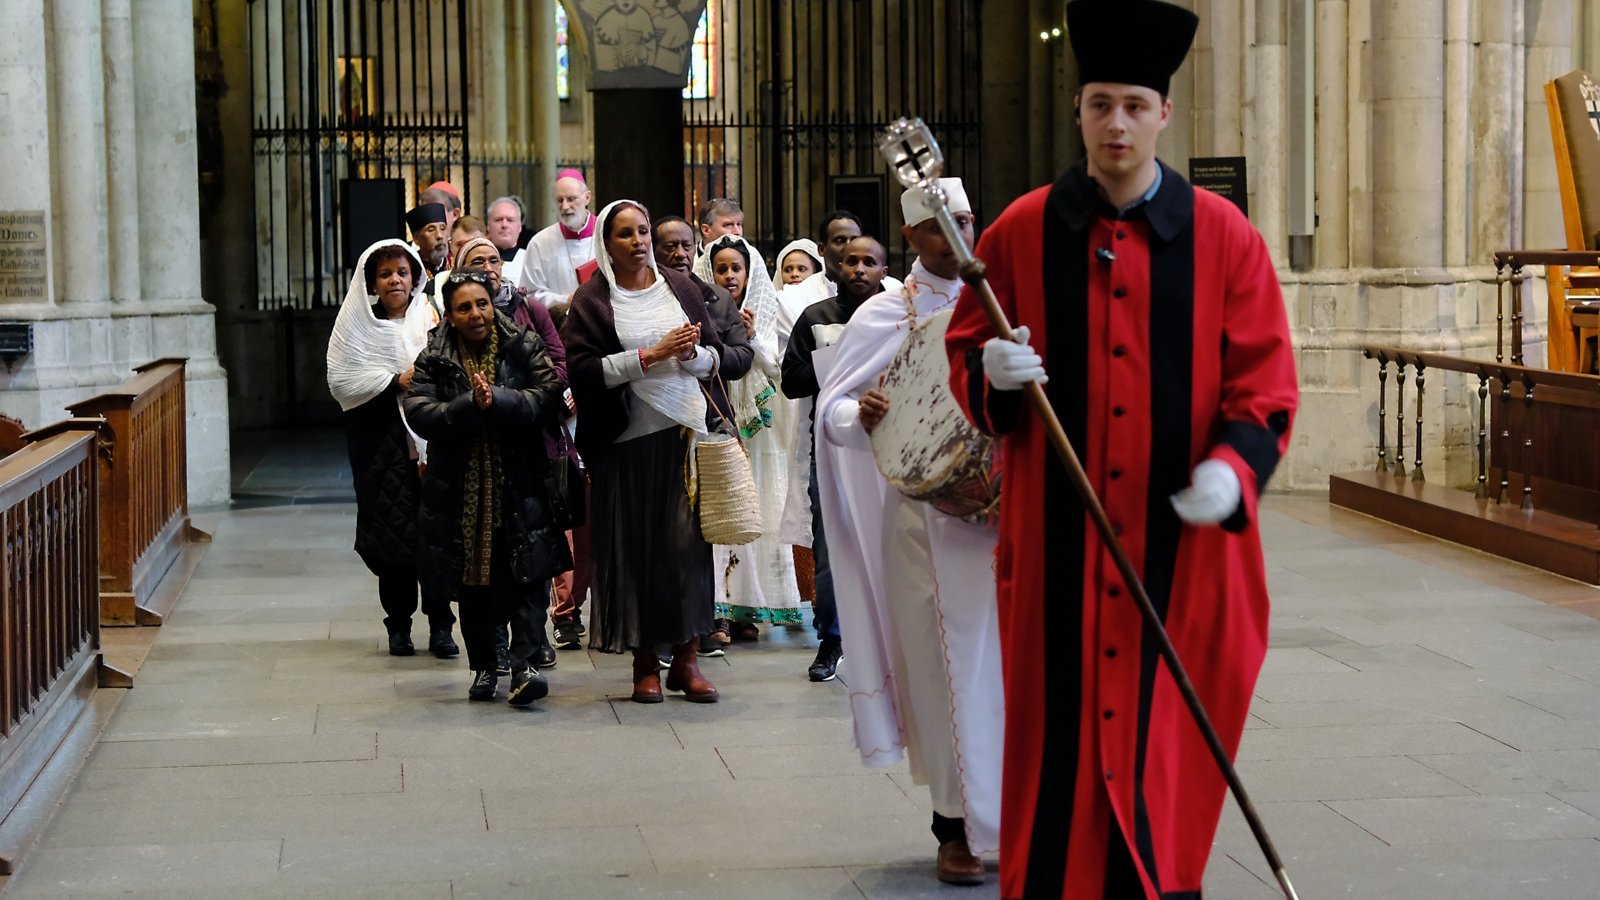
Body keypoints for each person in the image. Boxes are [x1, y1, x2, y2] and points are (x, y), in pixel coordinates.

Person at [943, 2, 1299, 897]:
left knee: (1163, 765)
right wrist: (991, 373)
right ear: (1079, 111)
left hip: (1179, 562)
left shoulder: (1227, 239)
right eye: (1100, 103)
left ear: (1163, 116)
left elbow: (1266, 383)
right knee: (1055, 761)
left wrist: (1233, 467)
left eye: (1135, 105)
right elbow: (964, 357)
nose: (1117, 124)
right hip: (1058, 554)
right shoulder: (1018, 233)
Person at [814, 180, 1001, 886]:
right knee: (940, 668)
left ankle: (1009, 813)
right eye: (940, 224)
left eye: (966, 220)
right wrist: (858, 416)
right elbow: (833, 413)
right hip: (924, 519)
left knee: (1006, 671)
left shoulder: (998, 302)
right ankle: (953, 828)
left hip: (1000, 518)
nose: (956, 233)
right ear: (911, 234)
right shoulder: (886, 313)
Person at [562, 199, 732, 704]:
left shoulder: (681, 288)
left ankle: (687, 659)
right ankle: (644, 664)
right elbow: (584, 373)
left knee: (686, 553)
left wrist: (692, 355)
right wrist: (649, 356)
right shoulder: (592, 300)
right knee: (635, 552)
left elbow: (717, 356)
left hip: (685, 435)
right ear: (606, 244)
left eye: (643, 231)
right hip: (624, 443)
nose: (638, 241)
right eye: (625, 234)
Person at [404, 268, 571, 706]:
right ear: (450, 315)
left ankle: (525, 665)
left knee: (530, 577)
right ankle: (482, 668)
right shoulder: (434, 355)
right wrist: (467, 406)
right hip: (460, 490)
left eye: (481, 304)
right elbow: (420, 411)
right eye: (464, 308)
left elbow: (549, 394)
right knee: (473, 582)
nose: (475, 314)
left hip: (521, 480)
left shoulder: (522, 344)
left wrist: (500, 400)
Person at [325, 240, 460, 659]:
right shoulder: (358, 325)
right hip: (383, 449)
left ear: (415, 275)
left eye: (402, 272)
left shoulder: (432, 318)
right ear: (372, 283)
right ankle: (398, 626)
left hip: (435, 447)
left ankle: (441, 627)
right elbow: (343, 381)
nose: (395, 280)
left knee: (437, 540)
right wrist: (391, 382)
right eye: (385, 275)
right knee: (393, 540)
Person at [458, 235, 577, 668]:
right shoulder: (454, 318)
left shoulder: (530, 310)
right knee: (487, 555)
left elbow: (558, 364)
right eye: (476, 261)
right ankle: (496, 645)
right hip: (478, 451)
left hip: (532, 440)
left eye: (493, 258)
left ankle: (532, 637)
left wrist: (518, 400)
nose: (488, 267)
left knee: (534, 545)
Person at [779, 235, 892, 682]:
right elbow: (791, 381)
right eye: (850, 261)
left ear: (885, 271)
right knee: (830, 550)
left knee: (892, 544)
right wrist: (838, 363)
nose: (859, 269)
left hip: (892, 448)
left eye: (870, 262)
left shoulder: (899, 316)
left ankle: (890, 637)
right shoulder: (817, 318)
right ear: (834, 268)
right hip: (832, 449)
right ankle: (832, 638)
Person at [694, 235, 803, 642]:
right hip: (716, 421)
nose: (728, 276)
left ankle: (746, 610)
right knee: (722, 508)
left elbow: (777, 368)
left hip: (760, 428)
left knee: (755, 510)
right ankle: (717, 609)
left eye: (735, 268)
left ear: (749, 272)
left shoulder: (769, 307)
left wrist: (752, 335)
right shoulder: (700, 308)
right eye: (720, 268)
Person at [518, 169, 597, 312]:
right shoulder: (540, 243)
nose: (565, 206)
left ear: (587, 198)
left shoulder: (607, 236)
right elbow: (529, 295)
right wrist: (567, 300)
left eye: (571, 199)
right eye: (560, 200)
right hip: (560, 325)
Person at [406, 202, 451, 313]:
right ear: (416, 238)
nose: (440, 236)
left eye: (443, 228)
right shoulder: (410, 271)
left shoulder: (457, 264)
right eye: (431, 230)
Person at [487, 196, 530, 286]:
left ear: (520, 226)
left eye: (510, 220)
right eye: (498, 220)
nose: (504, 225)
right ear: (488, 226)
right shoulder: (479, 261)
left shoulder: (530, 260)